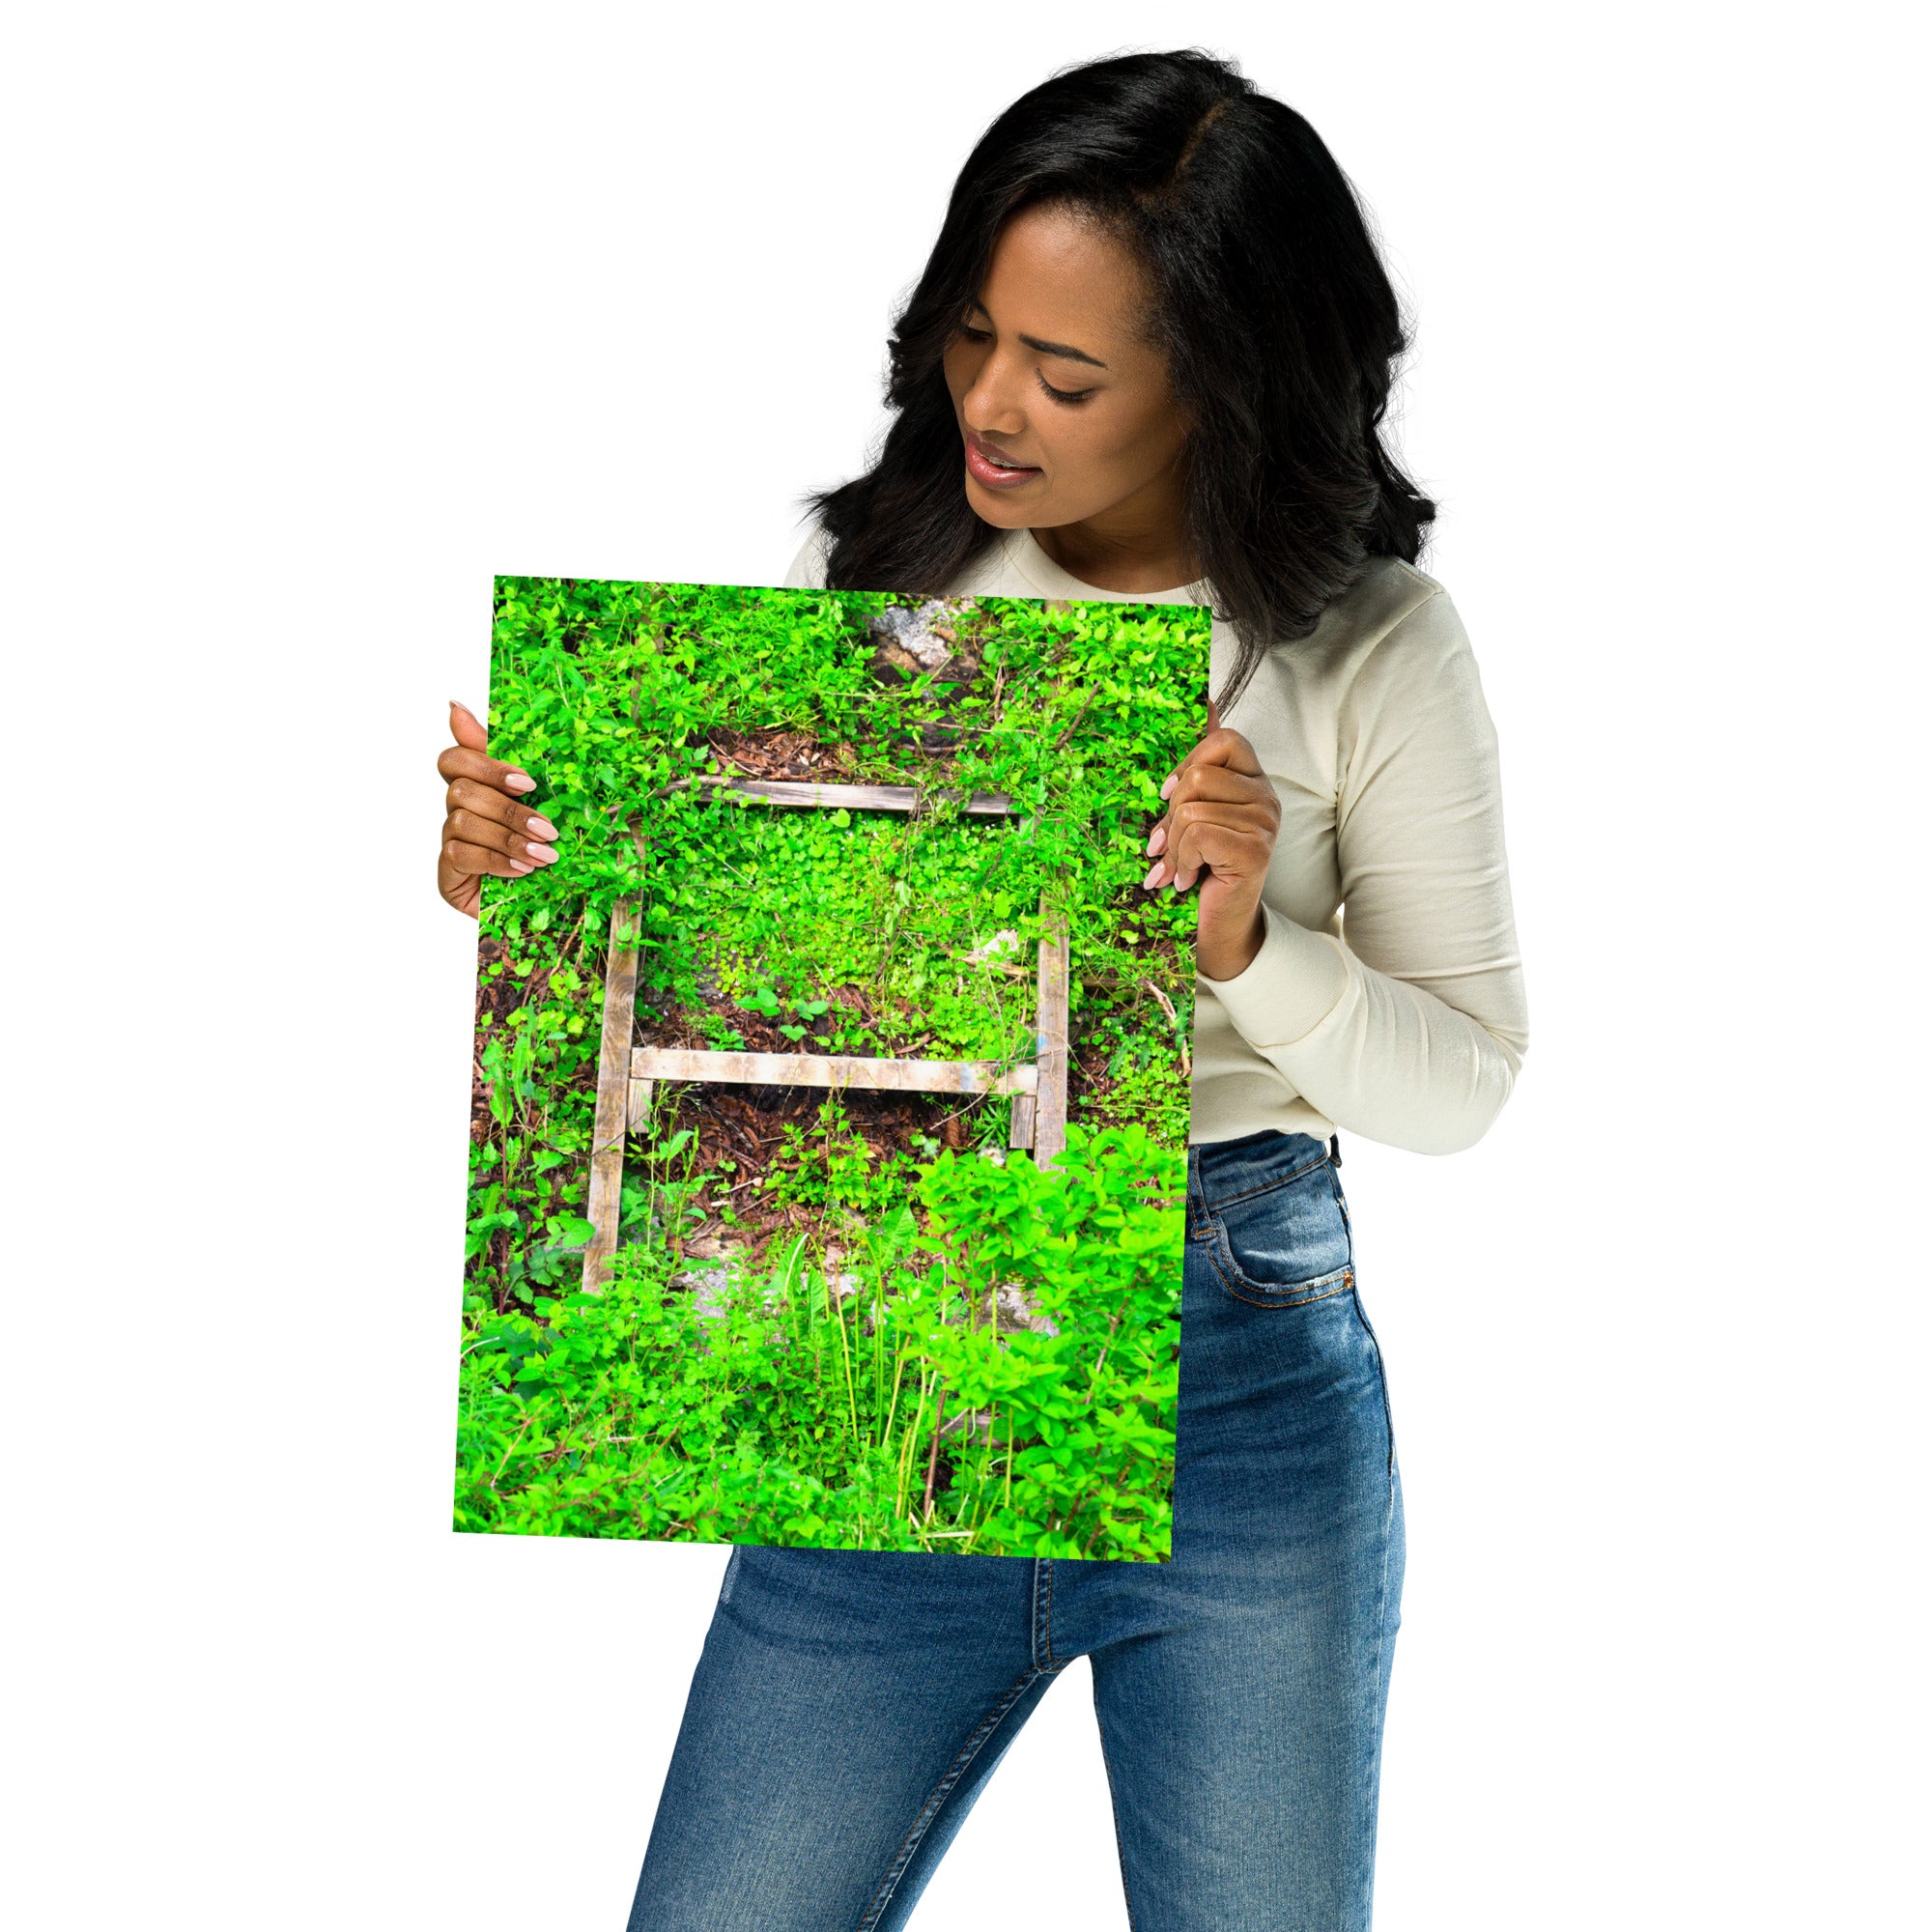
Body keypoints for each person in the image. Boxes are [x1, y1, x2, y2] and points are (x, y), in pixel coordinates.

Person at [437, 49, 1527, 1932]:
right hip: (893, 1357)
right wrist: (529, 877)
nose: (991, 403)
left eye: (1068, 371)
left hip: (1238, 1380)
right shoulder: (875, 574)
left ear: (1223, 385)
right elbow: (747, 1003)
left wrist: (1245, 943)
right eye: (971, 336)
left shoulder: (1370, 644)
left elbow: (1464, 1086)